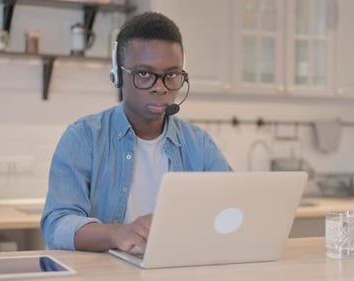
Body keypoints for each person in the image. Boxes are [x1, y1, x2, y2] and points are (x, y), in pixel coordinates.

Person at [40, 12, 231, 253]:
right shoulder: (83, 138)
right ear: (117, 75)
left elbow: (231, 207)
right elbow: (56, 225)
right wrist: (116, 233)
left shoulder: (199, 143)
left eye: (171, 75)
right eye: (144, 74)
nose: (160, 88)